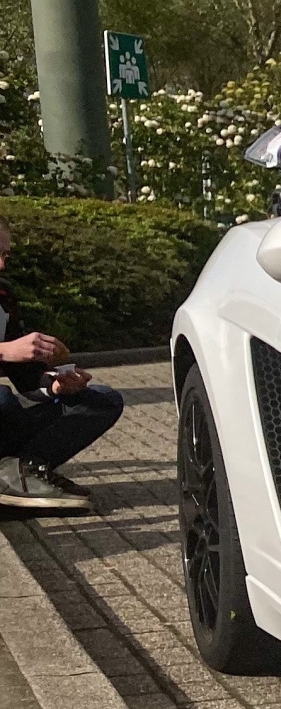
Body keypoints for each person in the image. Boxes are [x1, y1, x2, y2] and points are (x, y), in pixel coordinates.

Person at [0, 217, 124, 513]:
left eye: (5, 255)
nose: (2, 265)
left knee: (102, 400)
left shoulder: (3, 298)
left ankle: (22, 472)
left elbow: (28, 381)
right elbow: (8, 355)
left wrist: (56, 384)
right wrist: (3, 351)